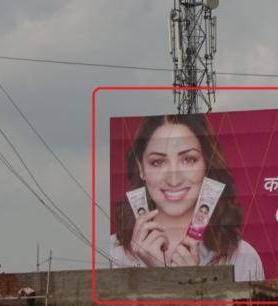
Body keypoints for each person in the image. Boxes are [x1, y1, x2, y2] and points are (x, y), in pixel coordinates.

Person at [110, 114, 265, 281]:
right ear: (141, 169)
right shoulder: (113, 255)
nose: (174, 180)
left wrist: (191, 282)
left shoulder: (242, 257)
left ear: (206, 164)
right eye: (158, 162)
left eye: (188, 160)